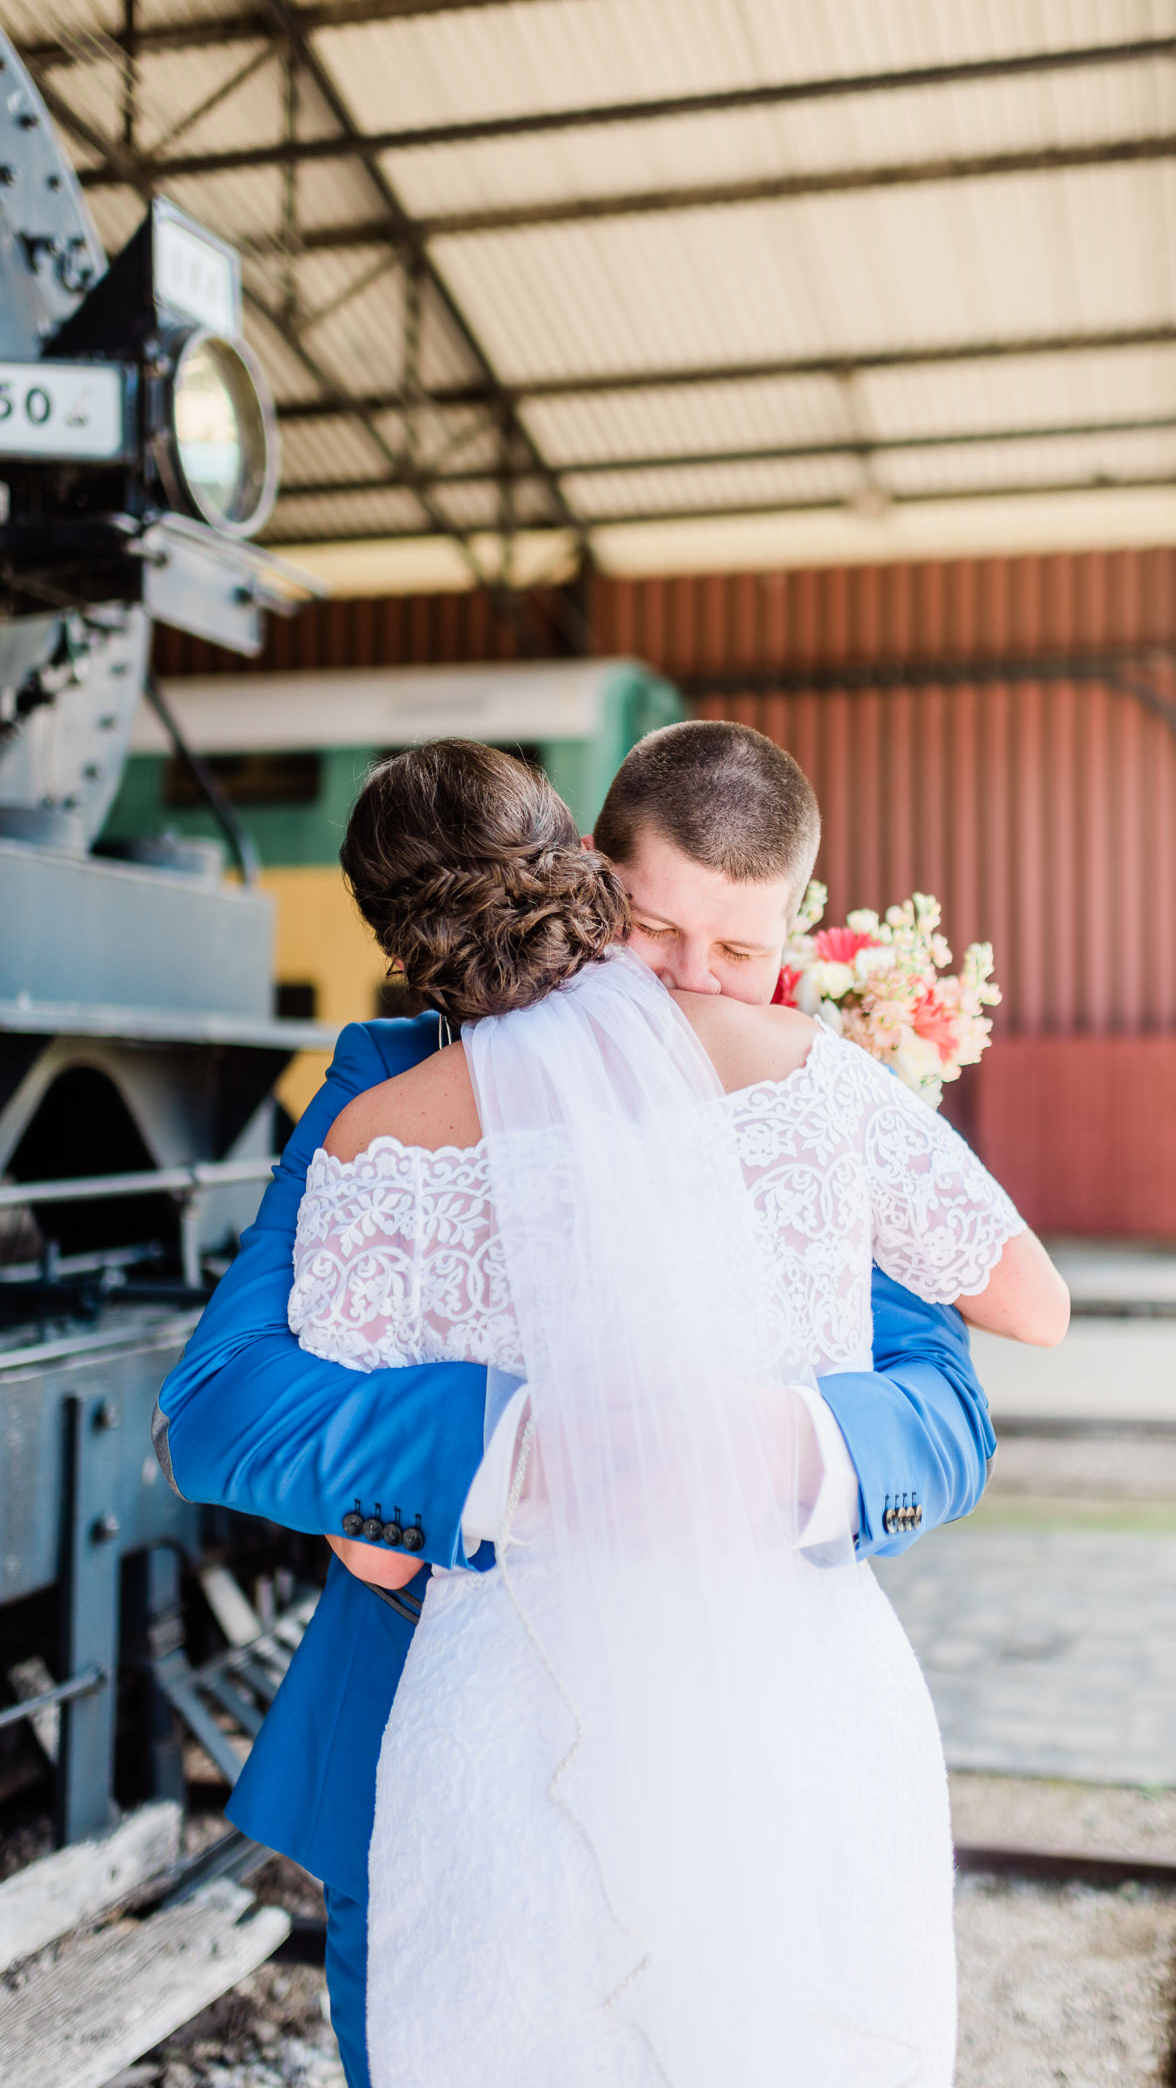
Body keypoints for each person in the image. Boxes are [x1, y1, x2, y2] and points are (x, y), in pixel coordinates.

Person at [154, 721, 1065, 2088]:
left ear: (790, 940)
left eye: (740, 955)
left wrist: (794, 1445)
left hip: (752, 1733)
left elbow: (939, 1405)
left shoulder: (797, 1090)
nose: (693, 986)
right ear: (584, 882)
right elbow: (222, 1401)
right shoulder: (380, 1085)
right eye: (654, 934)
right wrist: (510, 1444)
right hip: (441, 1720)